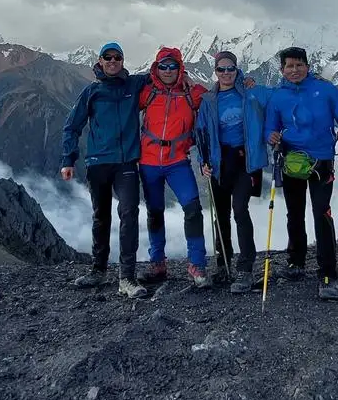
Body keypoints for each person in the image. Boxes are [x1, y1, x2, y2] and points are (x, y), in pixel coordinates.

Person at [264, 45, 338, 300]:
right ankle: (296, 261)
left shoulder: (326, 90)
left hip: (321, 161)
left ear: (307, 66)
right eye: (289, 66)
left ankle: (328, 273)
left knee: (321, 213)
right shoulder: (277, 97)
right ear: (282, 70)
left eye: (299, 65)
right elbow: (270, 127)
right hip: (291, 160)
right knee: (294, 212)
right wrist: (271, 136)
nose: (294, 70)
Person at [60, 41, 151, 298]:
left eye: (117, 57)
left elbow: (163, 72)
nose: (112, 61)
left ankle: (127, 278)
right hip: (98, 163)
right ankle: (98, 270)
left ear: (123, 61)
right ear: (100, 61)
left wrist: (185, 76)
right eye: (107, 57)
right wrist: (68, 159)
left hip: (126, 163)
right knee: (101, 216)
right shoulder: (92, 91)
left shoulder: (134, 84)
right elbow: (72, 126)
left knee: (129, 213)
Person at [194, 50, 271, 294]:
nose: (226, 73)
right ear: (215, 72)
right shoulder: (208, 100)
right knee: (220, 215)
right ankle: (223, 264)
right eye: (221, 69)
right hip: (219, 163)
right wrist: (203, 161)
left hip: (244, 161)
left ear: (237, 70)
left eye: (230, 68)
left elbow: (279, 97)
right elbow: (201, 133)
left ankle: (245, 269)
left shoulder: (250, 93)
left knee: (239, 210)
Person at [136, 46, 210, 288]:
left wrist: (246, 83)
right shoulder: (147, 92)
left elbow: (218, 96)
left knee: (193, 208)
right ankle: (157, 263)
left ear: (180, 68)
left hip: (177, 161)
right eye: (163, 66)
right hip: (148, 161)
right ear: (156, 69)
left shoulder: (192, 93)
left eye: (173, 66)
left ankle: (197, 263)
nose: (167, 71)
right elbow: (123, 92)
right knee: (155, 212)